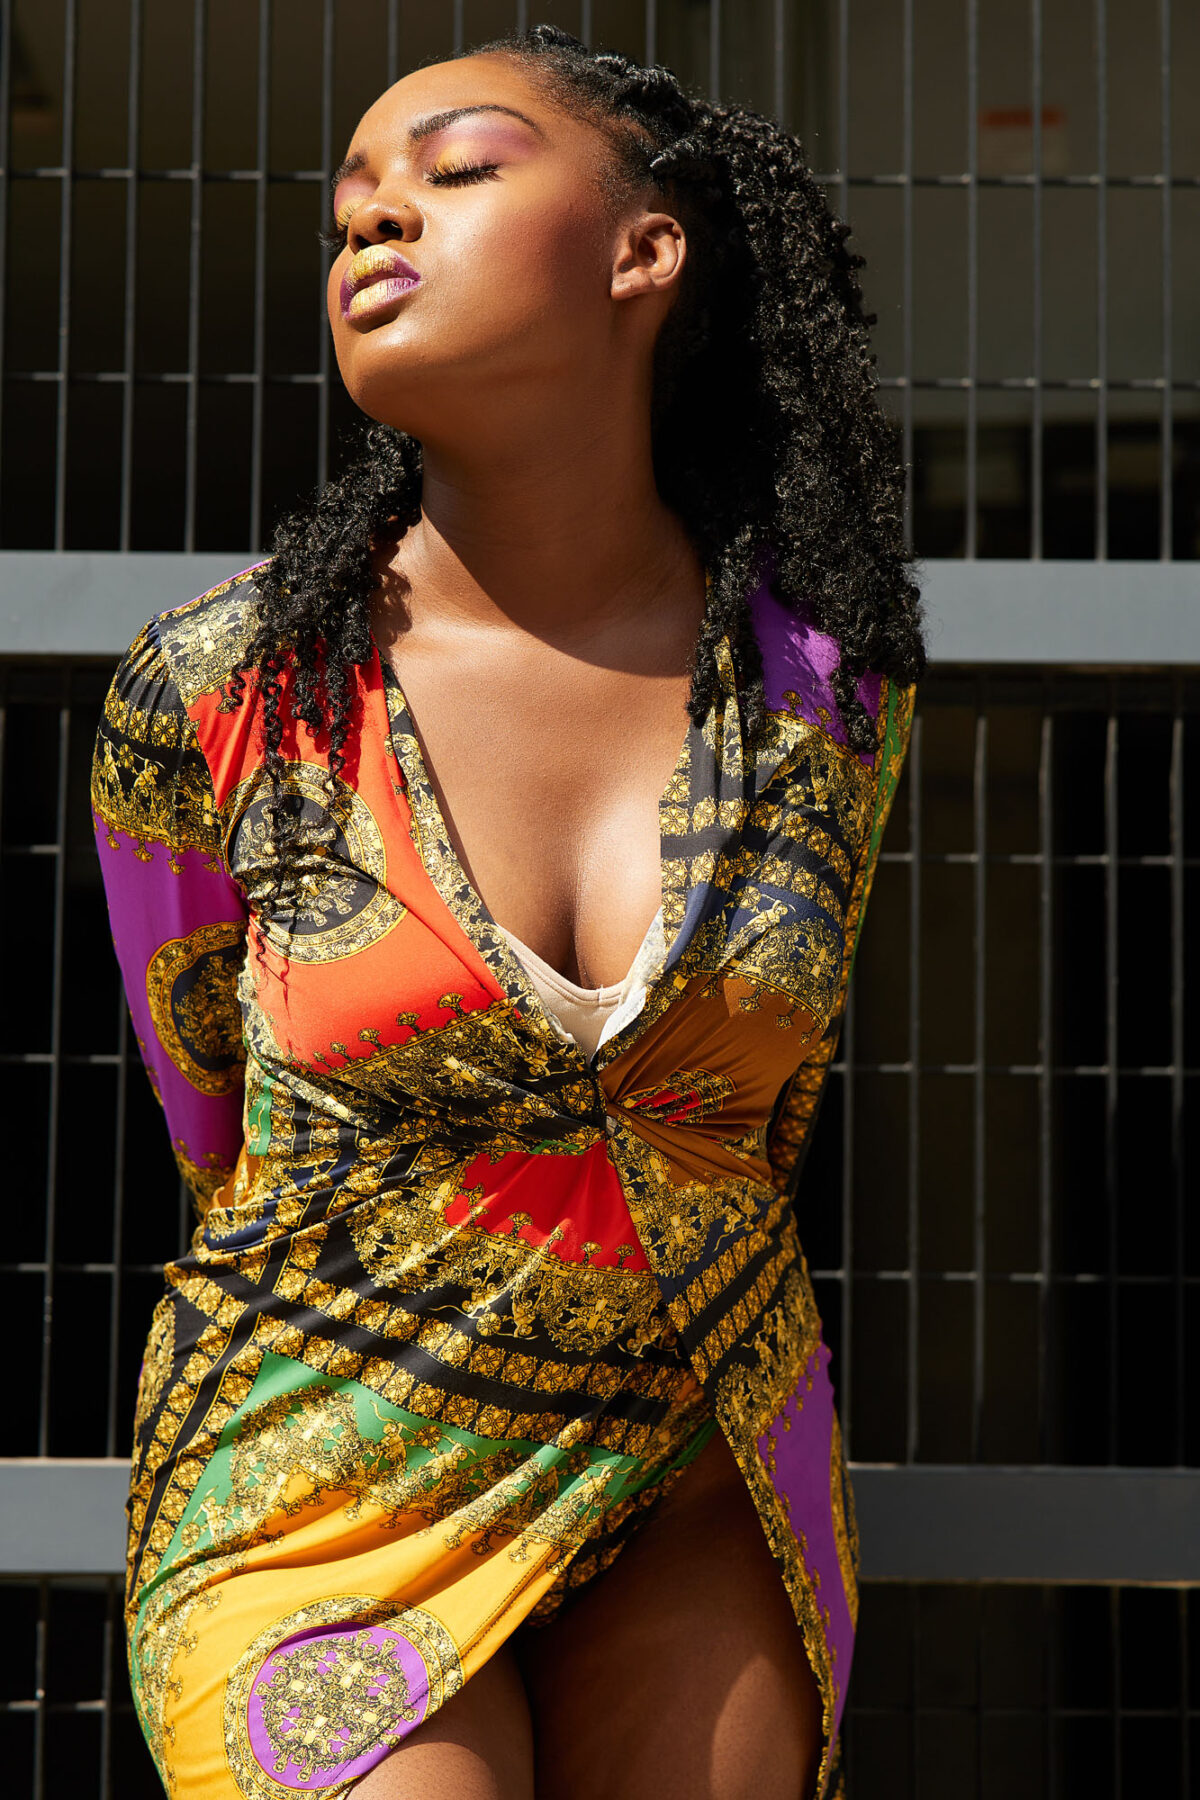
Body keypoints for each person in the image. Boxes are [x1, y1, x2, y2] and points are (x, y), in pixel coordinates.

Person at [91, 24, 923, 1800]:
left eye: (455, 171)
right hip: (322, 1481)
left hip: (698, 1474)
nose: (375, 221)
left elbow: (761, 1107)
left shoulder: (828, 693)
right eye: (348, 210)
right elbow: (208, 1113)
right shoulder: (221, 689)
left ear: (644, 251)